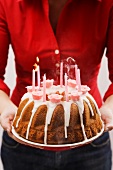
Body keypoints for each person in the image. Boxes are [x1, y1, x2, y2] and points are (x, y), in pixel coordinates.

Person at [0, 0, 113, 169]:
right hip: (23, 143)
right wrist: (5, 106)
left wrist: (110, 108)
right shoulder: (8, 4)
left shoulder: (106, 4)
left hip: (89, 141)